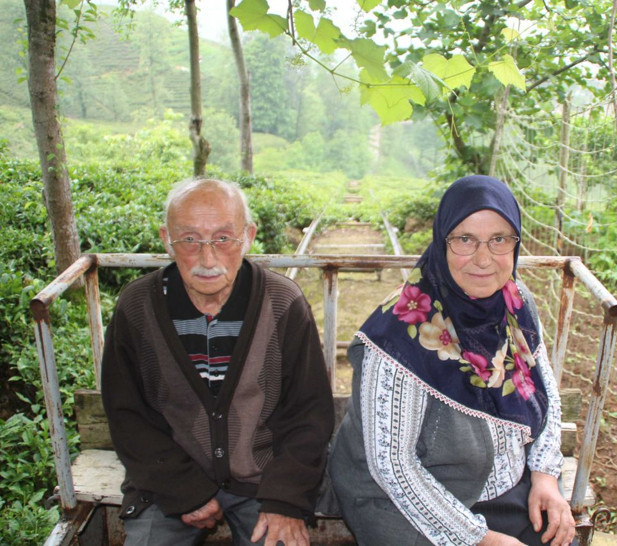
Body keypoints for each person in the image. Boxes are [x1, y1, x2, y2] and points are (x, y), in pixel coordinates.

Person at [329, 175, 576, 546]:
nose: (482, 258)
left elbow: (545, 392)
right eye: (464, 239)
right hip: (407, 504)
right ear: (442, 241)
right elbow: (394, 468)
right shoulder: (399, 333)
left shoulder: (516, 303)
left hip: (504, 490)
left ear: (516, 243)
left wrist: (544, 475)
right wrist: (481, 540)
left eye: (499, 239)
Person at [101, 178, 334, 546]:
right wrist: (183, 490)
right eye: (190, 240)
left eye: (224, 238)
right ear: (167, 239)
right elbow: (126, 413)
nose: (207, 259)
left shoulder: (282, 302)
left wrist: (285, 499)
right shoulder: (137, 307)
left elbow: (309, 413)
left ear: (248, 236)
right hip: (167, 481)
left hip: (263, 483)